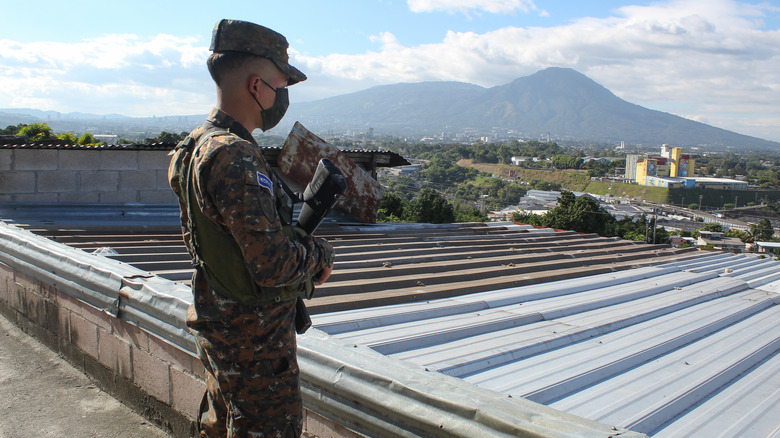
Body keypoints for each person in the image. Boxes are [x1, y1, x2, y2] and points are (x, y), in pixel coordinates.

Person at [168, 19, 335, 437]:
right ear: (257, 86)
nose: (283, 97)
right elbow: (272, 265)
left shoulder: (193, 146)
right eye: (282, 85)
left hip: (221, 326)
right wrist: (320, 256)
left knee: (220, 424)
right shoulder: (235, 155)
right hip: (254, 344)